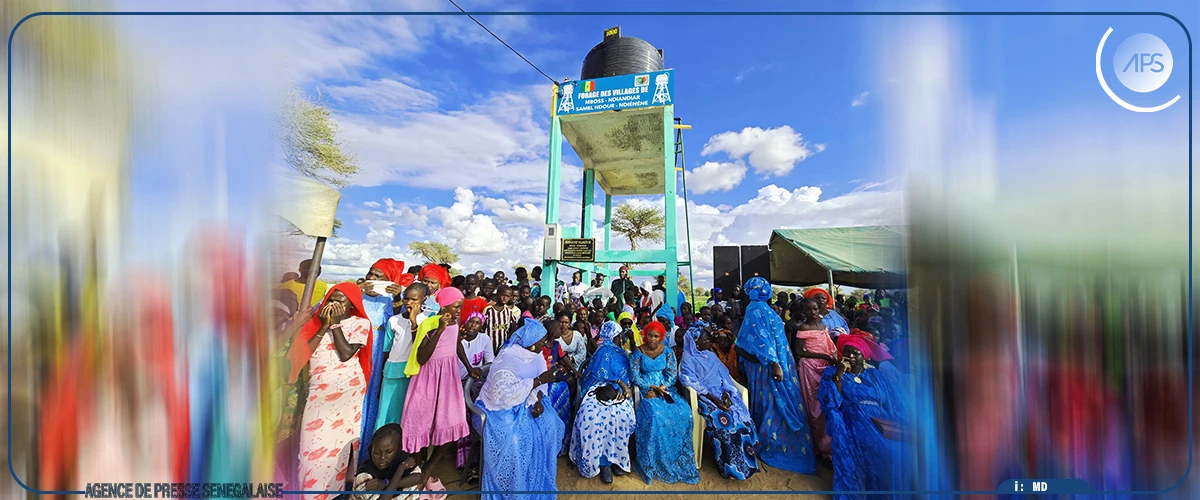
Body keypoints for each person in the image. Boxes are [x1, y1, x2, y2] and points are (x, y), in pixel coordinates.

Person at [286, 284, 374, 499]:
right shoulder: (315, 323)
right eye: (331, 299)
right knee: (311, 450)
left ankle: (332, 493)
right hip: (319, 391)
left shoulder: (360, 323)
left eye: (341, 300)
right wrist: (324, 326)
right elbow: (305, 352)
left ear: (351, 305)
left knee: (339, 448)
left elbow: (346, 354)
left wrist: (335, 325)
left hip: (348, 392)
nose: (335, 304)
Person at [475, 318, 568, 499]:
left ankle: (537, 481)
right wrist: (539, 381)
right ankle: (513, 489)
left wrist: (539, 401)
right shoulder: (508, 358)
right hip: (497, 409)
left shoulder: (537, 356)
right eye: (541, 341)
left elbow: (540, 388)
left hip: (527, 402)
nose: (544, 343)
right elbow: (501, 396)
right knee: (516, 439)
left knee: (550, 425)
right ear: (531, 343)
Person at [734, 277, 817, 475]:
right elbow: (760, 339)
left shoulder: (759, 308)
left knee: (771, 400)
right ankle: (772, 441)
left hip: (773, 363)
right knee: (772, 401)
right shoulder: (756, 309)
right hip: (768, 366)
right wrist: (774, 363)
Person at [820, 335, 911, 497]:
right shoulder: (832, 373)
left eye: (856, 353)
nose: (850, 357)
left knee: (898, 452)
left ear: (865, 356)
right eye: (847, 352)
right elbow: (832, 401)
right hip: (852, 419)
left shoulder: (877, 376)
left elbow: (893, 401)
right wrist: (839, 372)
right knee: (881, 450)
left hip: (880, 420)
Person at [400, 288, 469, 485]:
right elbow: (421, 357)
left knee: (451, 420)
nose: (458, 310)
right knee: (421, 423)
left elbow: (456, 345)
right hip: (428, 378)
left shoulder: (456, 323)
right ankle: (420, 469)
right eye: (456, 306)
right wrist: (439, 329)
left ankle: (430, 465)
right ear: (444, 305)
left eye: (460, 307)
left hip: (448, 378)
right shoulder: (429, 323)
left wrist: (469, 367)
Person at [678, 323, 761, 480]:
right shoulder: (688, 359)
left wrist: (728, 394)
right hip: (705, 397)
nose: (708, 340)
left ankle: (746, 464)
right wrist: (715, 400)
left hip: (721, 393)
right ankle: (728, 466)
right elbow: (690, 382)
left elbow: (725, 377)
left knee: (740, 416)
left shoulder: (711, 356)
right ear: (695, 341)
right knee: (724, 421)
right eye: (704, 338)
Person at [629, 321, 699, 485]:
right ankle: (653, 461)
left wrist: (662, 388)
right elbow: (634, 376)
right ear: (645, 335)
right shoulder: (638, 353)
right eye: (650, 335)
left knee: (684, 413)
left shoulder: (667, 352)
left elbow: (672, 374)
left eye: (656, 336)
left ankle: (675, 459)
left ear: (661, 337)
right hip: (647, 391)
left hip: (665, 389)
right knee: (655, 415)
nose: (652, 339)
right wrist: (650, 388)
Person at [570, 321, 636, 484]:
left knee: (621, 414)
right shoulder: (603, 351)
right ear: (616, 336)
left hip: (619, 391)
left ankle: (616, 458)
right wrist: (619, 382)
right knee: (592, 415)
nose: (620, 338)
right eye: (619, 335)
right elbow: (596, 376)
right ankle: (601, 462)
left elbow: (630, 375)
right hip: (597, 389)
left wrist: (622, 386)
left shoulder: (622, 352)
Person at [357, 258, 407, 455]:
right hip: (357, 348)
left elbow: (399, 321)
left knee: (372, 395)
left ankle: (365, 450)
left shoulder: (389, 299)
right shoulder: (357, 293)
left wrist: (397, 298)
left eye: (379, 276)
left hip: (378, 353)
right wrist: (358, 290)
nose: (372, 278)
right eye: (371, 273)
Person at [791, 298, 837, 459]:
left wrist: (832, 358)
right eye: (809, 310)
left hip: (825, 368)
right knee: (813, 404)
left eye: (816, 309)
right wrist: (823, 356)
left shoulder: (823, 326)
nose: (814, 312)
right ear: (803, 313)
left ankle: (828, 442)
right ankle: (818, 445)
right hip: (810, 368)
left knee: (826, 403)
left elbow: (830, 347)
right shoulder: (804, 327)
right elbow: (799, 352)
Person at [377, 284, 428, 430]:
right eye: (406, 298)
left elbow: (419, 347)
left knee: (403, 412)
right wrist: (382, 374)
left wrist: (414, 322)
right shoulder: (394, 320)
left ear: (423, 300)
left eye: (414, 299)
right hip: (391, 371)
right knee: (385, 411)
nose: (409, 302)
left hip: (410, 372)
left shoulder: (426, 320)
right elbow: (387, 350)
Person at [351, 424, 437, 500]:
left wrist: (385, 483)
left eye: (389, 452)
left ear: (397, 449)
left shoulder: (402, 459)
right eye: (377, 453)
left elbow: (419, 477)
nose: (382, 457)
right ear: (371, 450)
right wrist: (402, 468)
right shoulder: (363, 476)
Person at [455, 311, 493, 477]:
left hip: (474, 383)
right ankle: (463, 461)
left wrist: (479, 371)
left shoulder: (484, 339)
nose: (473, 326)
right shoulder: (457, 339)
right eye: (471, 322)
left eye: (477, 323)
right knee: (463, 419)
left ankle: (478, 459)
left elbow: (490, 361)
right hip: (454, 383)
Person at [483, 285, 520, 354]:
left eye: (508, 296)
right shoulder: (488, 310)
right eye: (503, 295)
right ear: (497, 294)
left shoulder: (509, 312)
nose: (505, 298)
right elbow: (482, 327)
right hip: (487, 347)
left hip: (502, 348)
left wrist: (506, 343)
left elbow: (513, 328)